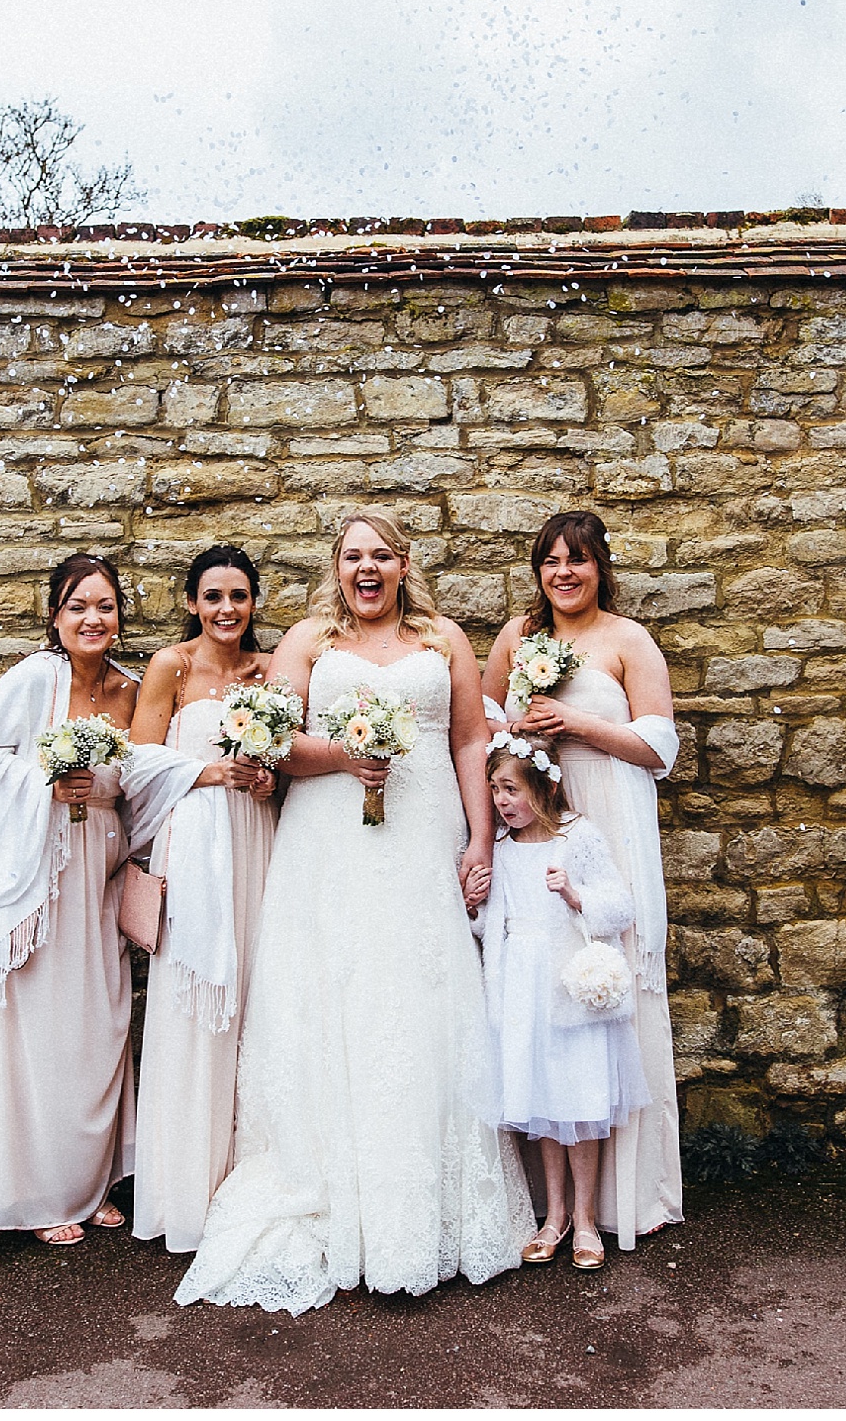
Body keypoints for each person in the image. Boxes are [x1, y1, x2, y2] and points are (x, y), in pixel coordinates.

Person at [175, 507, 536, 1315]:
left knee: (419, 1006)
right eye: (352, 556)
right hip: (328, 847)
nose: (366, 568)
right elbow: (272, 739)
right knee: (332, 998)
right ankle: (332, 1188)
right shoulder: (309, 640)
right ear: (336, 567)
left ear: (404, 564)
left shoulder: (445, 640)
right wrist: (343, 756)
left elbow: (471, 741)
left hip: (421, 839)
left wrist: (482, 842)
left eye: (380, 555)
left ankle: (423, 1211)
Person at [0, 554, 200, 1246]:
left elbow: (146, 774)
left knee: (100, 1025)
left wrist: (211, 774)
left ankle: (93, 1185)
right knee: (37, 1036)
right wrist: (44, 782)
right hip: (34, 875)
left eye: (105, 606)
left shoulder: (132, 691)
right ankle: (42, 1195)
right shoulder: (33, 679)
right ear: (55, 618)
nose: (94, 618)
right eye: (78, 606)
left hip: (97, 876)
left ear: (120, 617)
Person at [481, 510, 684, 1252]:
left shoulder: (628, 640)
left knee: (608, 972)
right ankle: (547, 1203)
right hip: (535, 822)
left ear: (601, 566)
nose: (564, 573)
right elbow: (483, 729)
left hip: (609, 811)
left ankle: (626, 1194)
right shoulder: (515, 639)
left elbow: (659, 747)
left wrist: (574, 722)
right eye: (549, 562)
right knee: (539, 990)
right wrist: (522, 748)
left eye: (578, 560)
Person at [129, 546, 281, 1253]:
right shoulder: (172, 667)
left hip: (255, 840)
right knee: (194, 1005)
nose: (227, 609)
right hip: (193, 845)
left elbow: (285, 766)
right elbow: (134, 764)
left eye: (239, 597)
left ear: (254, 603)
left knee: (256, 996)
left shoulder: (267, 671)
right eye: (213, 596)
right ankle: (184, 1187)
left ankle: (247, 1178)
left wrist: (262, 782)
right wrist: (203, 771)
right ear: (192, 602)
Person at [469, 734, 650, 1274]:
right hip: (519, 985)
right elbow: (489, 927)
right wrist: (475, 905)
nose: (502, 801)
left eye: (511, 790)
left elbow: (620, 906)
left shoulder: (577, 838)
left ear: (543, 789)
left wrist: (575, 895)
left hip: (567, 981)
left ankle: (589, 1219)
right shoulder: (499, 848)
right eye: (495, 790)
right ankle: (555, 1215)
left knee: (578, 1099)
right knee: (542, 1103)